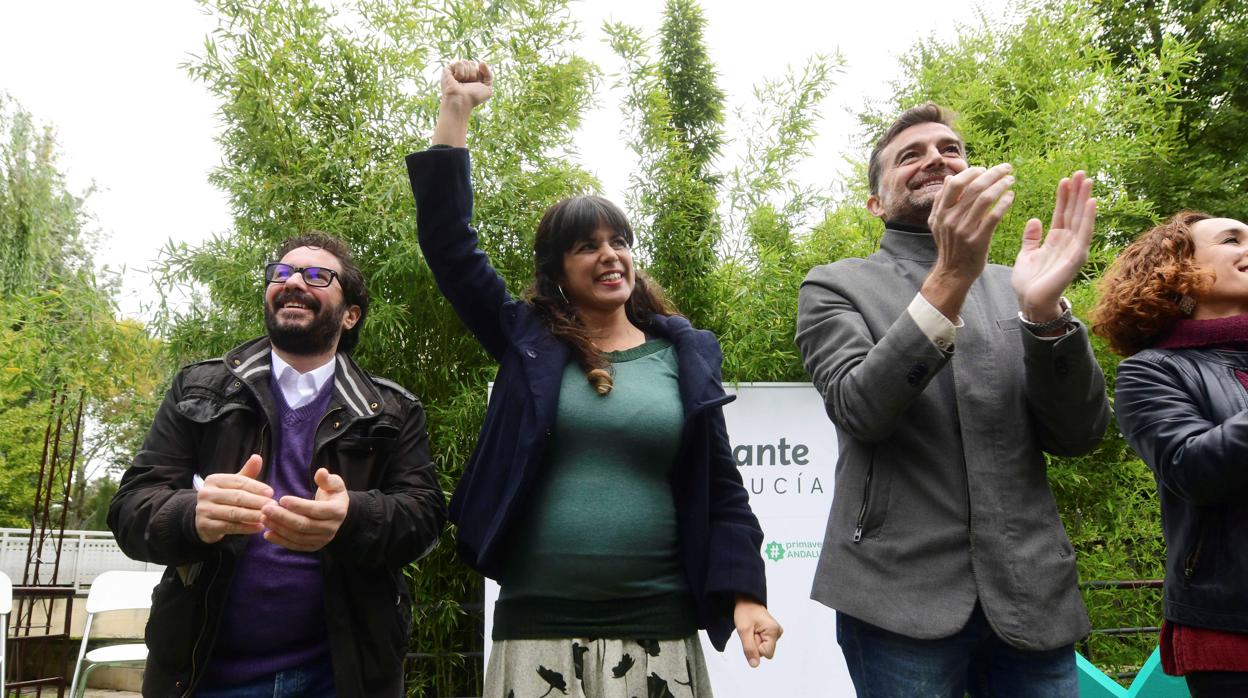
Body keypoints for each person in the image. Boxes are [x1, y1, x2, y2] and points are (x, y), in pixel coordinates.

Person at [405, 61, 781, 697]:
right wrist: (455, 112)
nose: (611, 255)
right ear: (557, 271)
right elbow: (450, 246)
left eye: (620, 240)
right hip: (536, 629)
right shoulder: (529, 341)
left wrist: (745, 596)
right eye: (587, 245)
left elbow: (721, 488)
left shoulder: (684, 354)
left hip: (657, 628)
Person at [794, 103, 1111, 696]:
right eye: (909, 155)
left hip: (1030, 597)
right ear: (876, 204)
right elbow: (860, 410)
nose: (935, 158)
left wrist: (1045, 316)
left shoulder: (1020, 284)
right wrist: (951, 277)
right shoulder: (835, 285)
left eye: (949, 149)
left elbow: (1080, 436)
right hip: (895, 598)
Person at [108, 233, 446, 698]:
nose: (293, 283)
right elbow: (130, 511)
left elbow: (424, 517)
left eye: (317, 276)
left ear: (351, 315)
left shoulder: (391, 410)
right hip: (202, 672)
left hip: (342, 675)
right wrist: (193, 514)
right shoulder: (196, 389)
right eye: (282, 273)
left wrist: (351, 517)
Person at [1092, 211, 1248, 697]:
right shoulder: (1152, 371)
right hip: (1233, 630)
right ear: (1178, 273)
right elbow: (1194, 469)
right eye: (1231, 239)